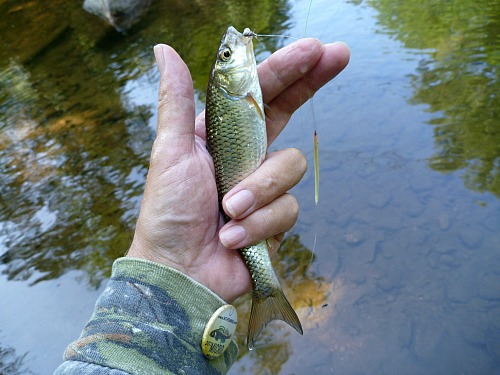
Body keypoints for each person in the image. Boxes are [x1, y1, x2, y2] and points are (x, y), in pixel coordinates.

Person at [54, 38, 350, 374]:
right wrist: (173, 266)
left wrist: (173, 280)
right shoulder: (240, 95)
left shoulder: (244, 91)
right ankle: (267, 293)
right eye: (227, 54)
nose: (233, 48)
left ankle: (264, 290)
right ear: (226, 79)